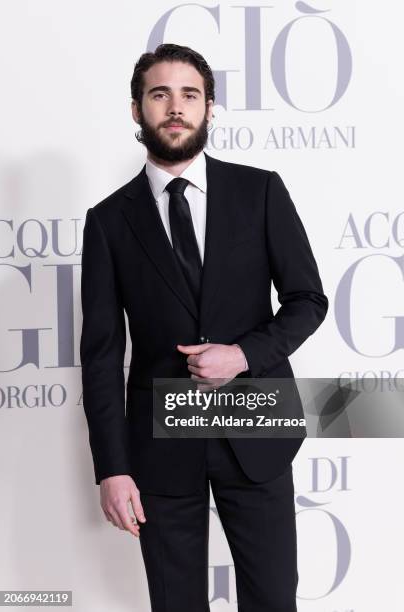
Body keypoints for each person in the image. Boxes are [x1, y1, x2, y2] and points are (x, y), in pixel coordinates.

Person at [80, 43, 328, 612]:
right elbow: (100, 354)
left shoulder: (260, 190)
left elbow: (307, 299)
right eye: (159, 94)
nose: (175, 107)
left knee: (272, 600)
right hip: (160, 442)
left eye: (189, 94)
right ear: (137, 109)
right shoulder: (108, 222)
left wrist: (242, 355)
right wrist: (112, 469)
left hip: (256, 422)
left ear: (209, 108)